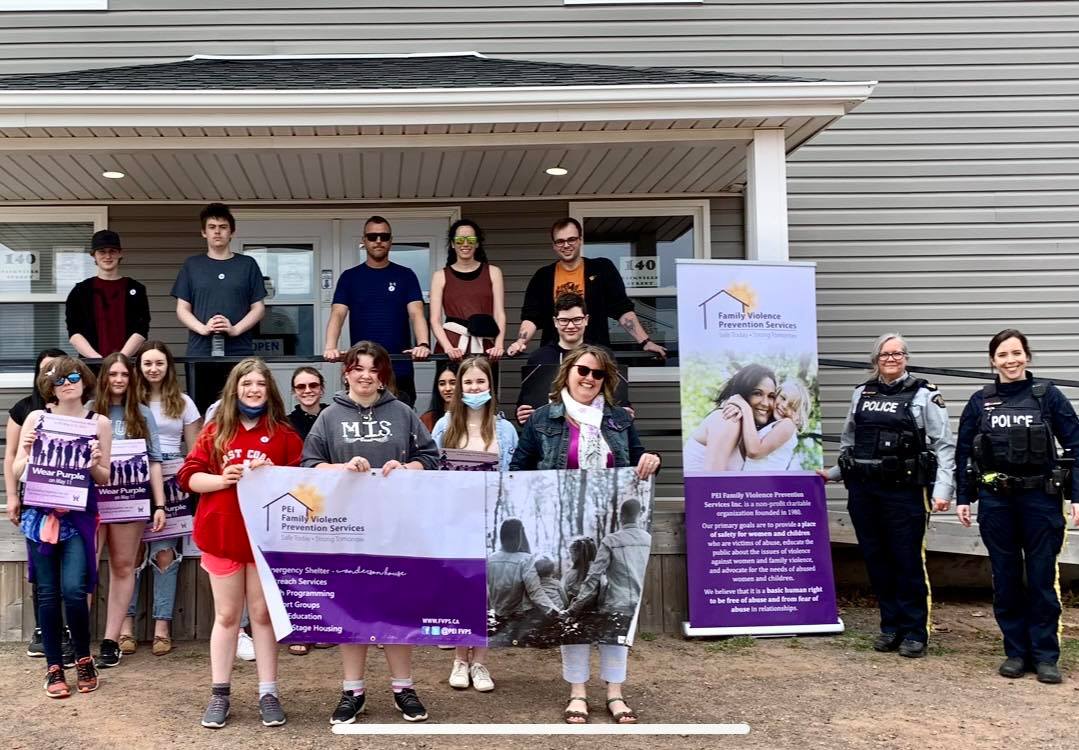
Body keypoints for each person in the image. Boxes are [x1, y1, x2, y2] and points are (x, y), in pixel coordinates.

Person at [509, 345, 661, 724]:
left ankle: (615, 691)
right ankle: (577, 691)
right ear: (568, 372)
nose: (589, 379)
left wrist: (650, 461)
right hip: (567, 529)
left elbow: (641, 461)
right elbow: (518, 470)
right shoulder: (543, 419)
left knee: (616, 608)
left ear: (605, 381)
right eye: (583, 371)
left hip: (612, 526)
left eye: (598, 374)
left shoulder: (619, 422)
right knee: (576, 601)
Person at [301, 341, 439, 725]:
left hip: (396, 527)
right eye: (357, 367)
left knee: (397, 608)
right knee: (352, 610)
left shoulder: (403, 412)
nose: (365, 375)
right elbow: (309, 464)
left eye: (373, 369)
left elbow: (430, 457)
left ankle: (403, 687)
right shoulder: (329, 416)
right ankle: (352, 691)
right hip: (344, 529)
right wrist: (342, 467)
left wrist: (407, 467)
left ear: (382, 375)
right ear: (346, 372)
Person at [178, 358, 304, 729]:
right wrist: (222, 479)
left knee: (263, 616)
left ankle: (268, 692)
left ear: (269, 390)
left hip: (265, 540)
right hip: (221, 535)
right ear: (235, 389)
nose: (253, 390)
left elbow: (304, 489)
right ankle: (220, 693)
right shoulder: (216, 431)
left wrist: (275, 475)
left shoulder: (284, 434)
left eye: (260, 384)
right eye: (246, 383)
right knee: (227, 616)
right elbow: (188, 478)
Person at [818, 333, 955, 660]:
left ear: (906, 357)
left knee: (906, 561)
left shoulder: (925, 395)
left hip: (905, 491)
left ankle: (914, 632)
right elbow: (850, 443)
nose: (891, 359)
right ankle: (890, 627)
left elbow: (944, 446)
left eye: (897, 353)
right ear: (875, 359)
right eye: (885, 354)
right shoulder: (861, 394)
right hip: (865, 491)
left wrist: (942, 490)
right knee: (876, 560)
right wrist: (833, 473)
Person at [954, 329, 1079, 684]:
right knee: (1006, 578)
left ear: (1027, 356)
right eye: (1003, 355)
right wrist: (964, 497)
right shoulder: (980, 401)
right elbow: (965, 453)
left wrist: (1076, 497)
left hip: (1040, 500)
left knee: (1041, 579)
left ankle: (1045, 656)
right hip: (996, 503)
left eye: (1016, 353)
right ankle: (1015, 652)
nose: (1011, 360)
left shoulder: (1048, 396)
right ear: (992, 360)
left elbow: (1076, 446)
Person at [10, 356, 112, 698]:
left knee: (73, 589)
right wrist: (25, 452)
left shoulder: (99, 423)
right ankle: (54, 666)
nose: (66, 383)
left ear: (84, 381)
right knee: (48, 593)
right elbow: (17, 470)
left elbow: (104, 476)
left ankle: (83, 657)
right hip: (40, 516)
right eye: (57, 380)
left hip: (78, 517)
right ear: (48, 388)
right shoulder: (37, 418)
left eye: (72, 377)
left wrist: (96, 462)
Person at [430, 355, 517, 692]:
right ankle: (458, 659)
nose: (474, 388)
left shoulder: (505, 429)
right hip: (454, 520)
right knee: (459, 589)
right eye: (468, 383)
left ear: (490, 386)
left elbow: (516, 475)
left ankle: (480, 661)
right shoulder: (443, 427)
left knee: (487, 594)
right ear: (458, 388)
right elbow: (432, 473)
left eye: (480, 382)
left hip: (493, 519)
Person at [120, 341, 203, 657]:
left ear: (169, 366)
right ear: (138, 368)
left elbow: (195, 449)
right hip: (133, 475)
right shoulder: (128, 401)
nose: (153, 369)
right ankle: (125, 627)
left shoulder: (182, 402)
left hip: (172, 476)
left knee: (165, 554)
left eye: (159, 363)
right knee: (131, 554)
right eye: (147, 363)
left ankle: (162, 627)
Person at [92, 352, 167, 668]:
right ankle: (78, 639)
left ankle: (110, 641)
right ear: (104, 378)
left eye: (124, 374)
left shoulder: (143, 413)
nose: (119, 379)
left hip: (130, 500)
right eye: (113, 374)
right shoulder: (89, 412)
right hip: (92, 501)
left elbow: (154, 461)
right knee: (85, 570)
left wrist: (160, 503)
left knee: (123, 567)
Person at [506, 217, 666, 360]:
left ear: (580, 240)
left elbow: (622, 310)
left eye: (571, 239)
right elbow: (531, 316)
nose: (566, 245)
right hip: (556, 356)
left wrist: (645, 341)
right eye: (560, 241)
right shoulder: (543, 276)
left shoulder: (602, 269)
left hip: (595, 354)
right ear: (554, 245)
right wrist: (520, 342)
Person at [322, 216, 430, 407]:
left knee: (401, 427)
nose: (378, 241)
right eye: (372, 236)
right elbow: (338, 314)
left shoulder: (406, 275)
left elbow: (417, 313)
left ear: (390, 240)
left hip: (399, 368)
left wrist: (423, 344)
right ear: (364, 241)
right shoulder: (350, 277)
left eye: (384, 236)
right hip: (362, 370)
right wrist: (330, 347)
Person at [563, 498, 652, 725]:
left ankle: (579, 693)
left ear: (620, 517)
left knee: (578, 633)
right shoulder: (647, 539)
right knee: (616, 643)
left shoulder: (612, 540)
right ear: (639, 515)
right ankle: (614, 695)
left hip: (612, 602)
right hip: (633, 603)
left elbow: (593, 577)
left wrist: (574, 608)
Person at [171, 203, 268, 410]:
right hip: (200, 351)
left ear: (231, 232)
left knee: (241, 406)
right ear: (203, 232)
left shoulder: (247, 264)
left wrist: (235, 329)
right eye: (212, 226)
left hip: (239, 351)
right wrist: (203, 328)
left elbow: (258, 308)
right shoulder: (192, 265)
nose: (217, 231)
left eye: (223, 227)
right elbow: (182, 309)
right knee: (202, 408)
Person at [3, 347, 67, 660]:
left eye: (58, 368)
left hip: (70, 501)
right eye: (46, 369)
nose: (52, 374)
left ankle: (65, 629)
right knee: (40, 564)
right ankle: (43, 629)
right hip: (35, 500)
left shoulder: (72, 410)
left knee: (69, 566)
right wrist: (13, 496)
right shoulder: (24, 409)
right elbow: (11, 456)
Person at [516, 292, 631, 425]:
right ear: (555, 322)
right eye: (564, 320)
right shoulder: (539, 357)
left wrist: (627, 411)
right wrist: (520, 413)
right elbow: (524, 402)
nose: (570, 326)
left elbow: (617, 395)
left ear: (586, 320)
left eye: (577, 319)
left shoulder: (603, 355)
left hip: (596, 429)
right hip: (549, 433)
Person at [64, 229, 151, 359]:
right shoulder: (80, 291)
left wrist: (120, 360)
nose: (108, 256)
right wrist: (97, 360)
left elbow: (141, 329)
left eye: (112, 251)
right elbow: (74, 332)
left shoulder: (136, 289)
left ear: (120, 253)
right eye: (102, 251)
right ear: (93, 255)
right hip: (91, 365)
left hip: (127, 365)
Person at [429, 219, 506, 361]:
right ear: (452, 244)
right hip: (452, 346)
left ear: (477, 243)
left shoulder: (493, 272)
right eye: (459, 240)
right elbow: (435, 319)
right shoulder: (440, 276)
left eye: (470, 239)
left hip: (485, 345)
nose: (465, 244)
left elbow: (499, 313)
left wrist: (499, 345)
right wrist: (448, 348)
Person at [684, 363, 778, 472]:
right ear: (743, 394)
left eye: (771, 396)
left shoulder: (747, 430)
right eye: (757, 393)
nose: (766, 403)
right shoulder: (729, 419)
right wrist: (745, 408)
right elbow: (711, 481)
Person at [737, 377, 811, 471]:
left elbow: (754, 452)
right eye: (783, 398)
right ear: (776, 394)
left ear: (797, 414)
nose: (784, 406)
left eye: (791, 406)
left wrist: (745, 408)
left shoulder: (788, 424)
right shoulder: (772, 426)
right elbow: (746, 452)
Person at [287, 366, 328, 442]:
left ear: (321, 389)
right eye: (301, 386)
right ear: (294, 392)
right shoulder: (287, 424)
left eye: (313, 385)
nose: (307, 390)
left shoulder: (333, 416)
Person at [419, 362, 457, 432]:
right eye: (442, 384)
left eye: (453, 383)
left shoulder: (469, 416)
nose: (447, 388)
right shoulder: (427, 419)